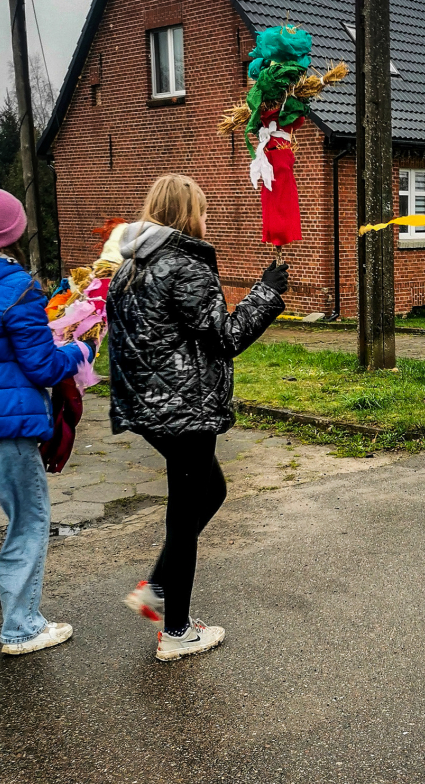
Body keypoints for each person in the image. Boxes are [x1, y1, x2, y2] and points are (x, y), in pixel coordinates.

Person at [106, 174, 289, 662]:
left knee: (213, 490)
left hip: (147, 407)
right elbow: (226, 337)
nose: (206, 221)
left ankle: (157, 589)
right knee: (184, 516)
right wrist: (266, 295)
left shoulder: (130, 266)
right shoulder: (185, 265)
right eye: (203, 212)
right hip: (183, 410)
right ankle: (177, 631)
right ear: (187, 215)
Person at [0, 184, 94, 655]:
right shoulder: (17, 288)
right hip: (4, 428)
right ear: (10, 234)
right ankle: (22, 627)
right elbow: (43, 366)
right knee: (28, 521)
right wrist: (80, 348)